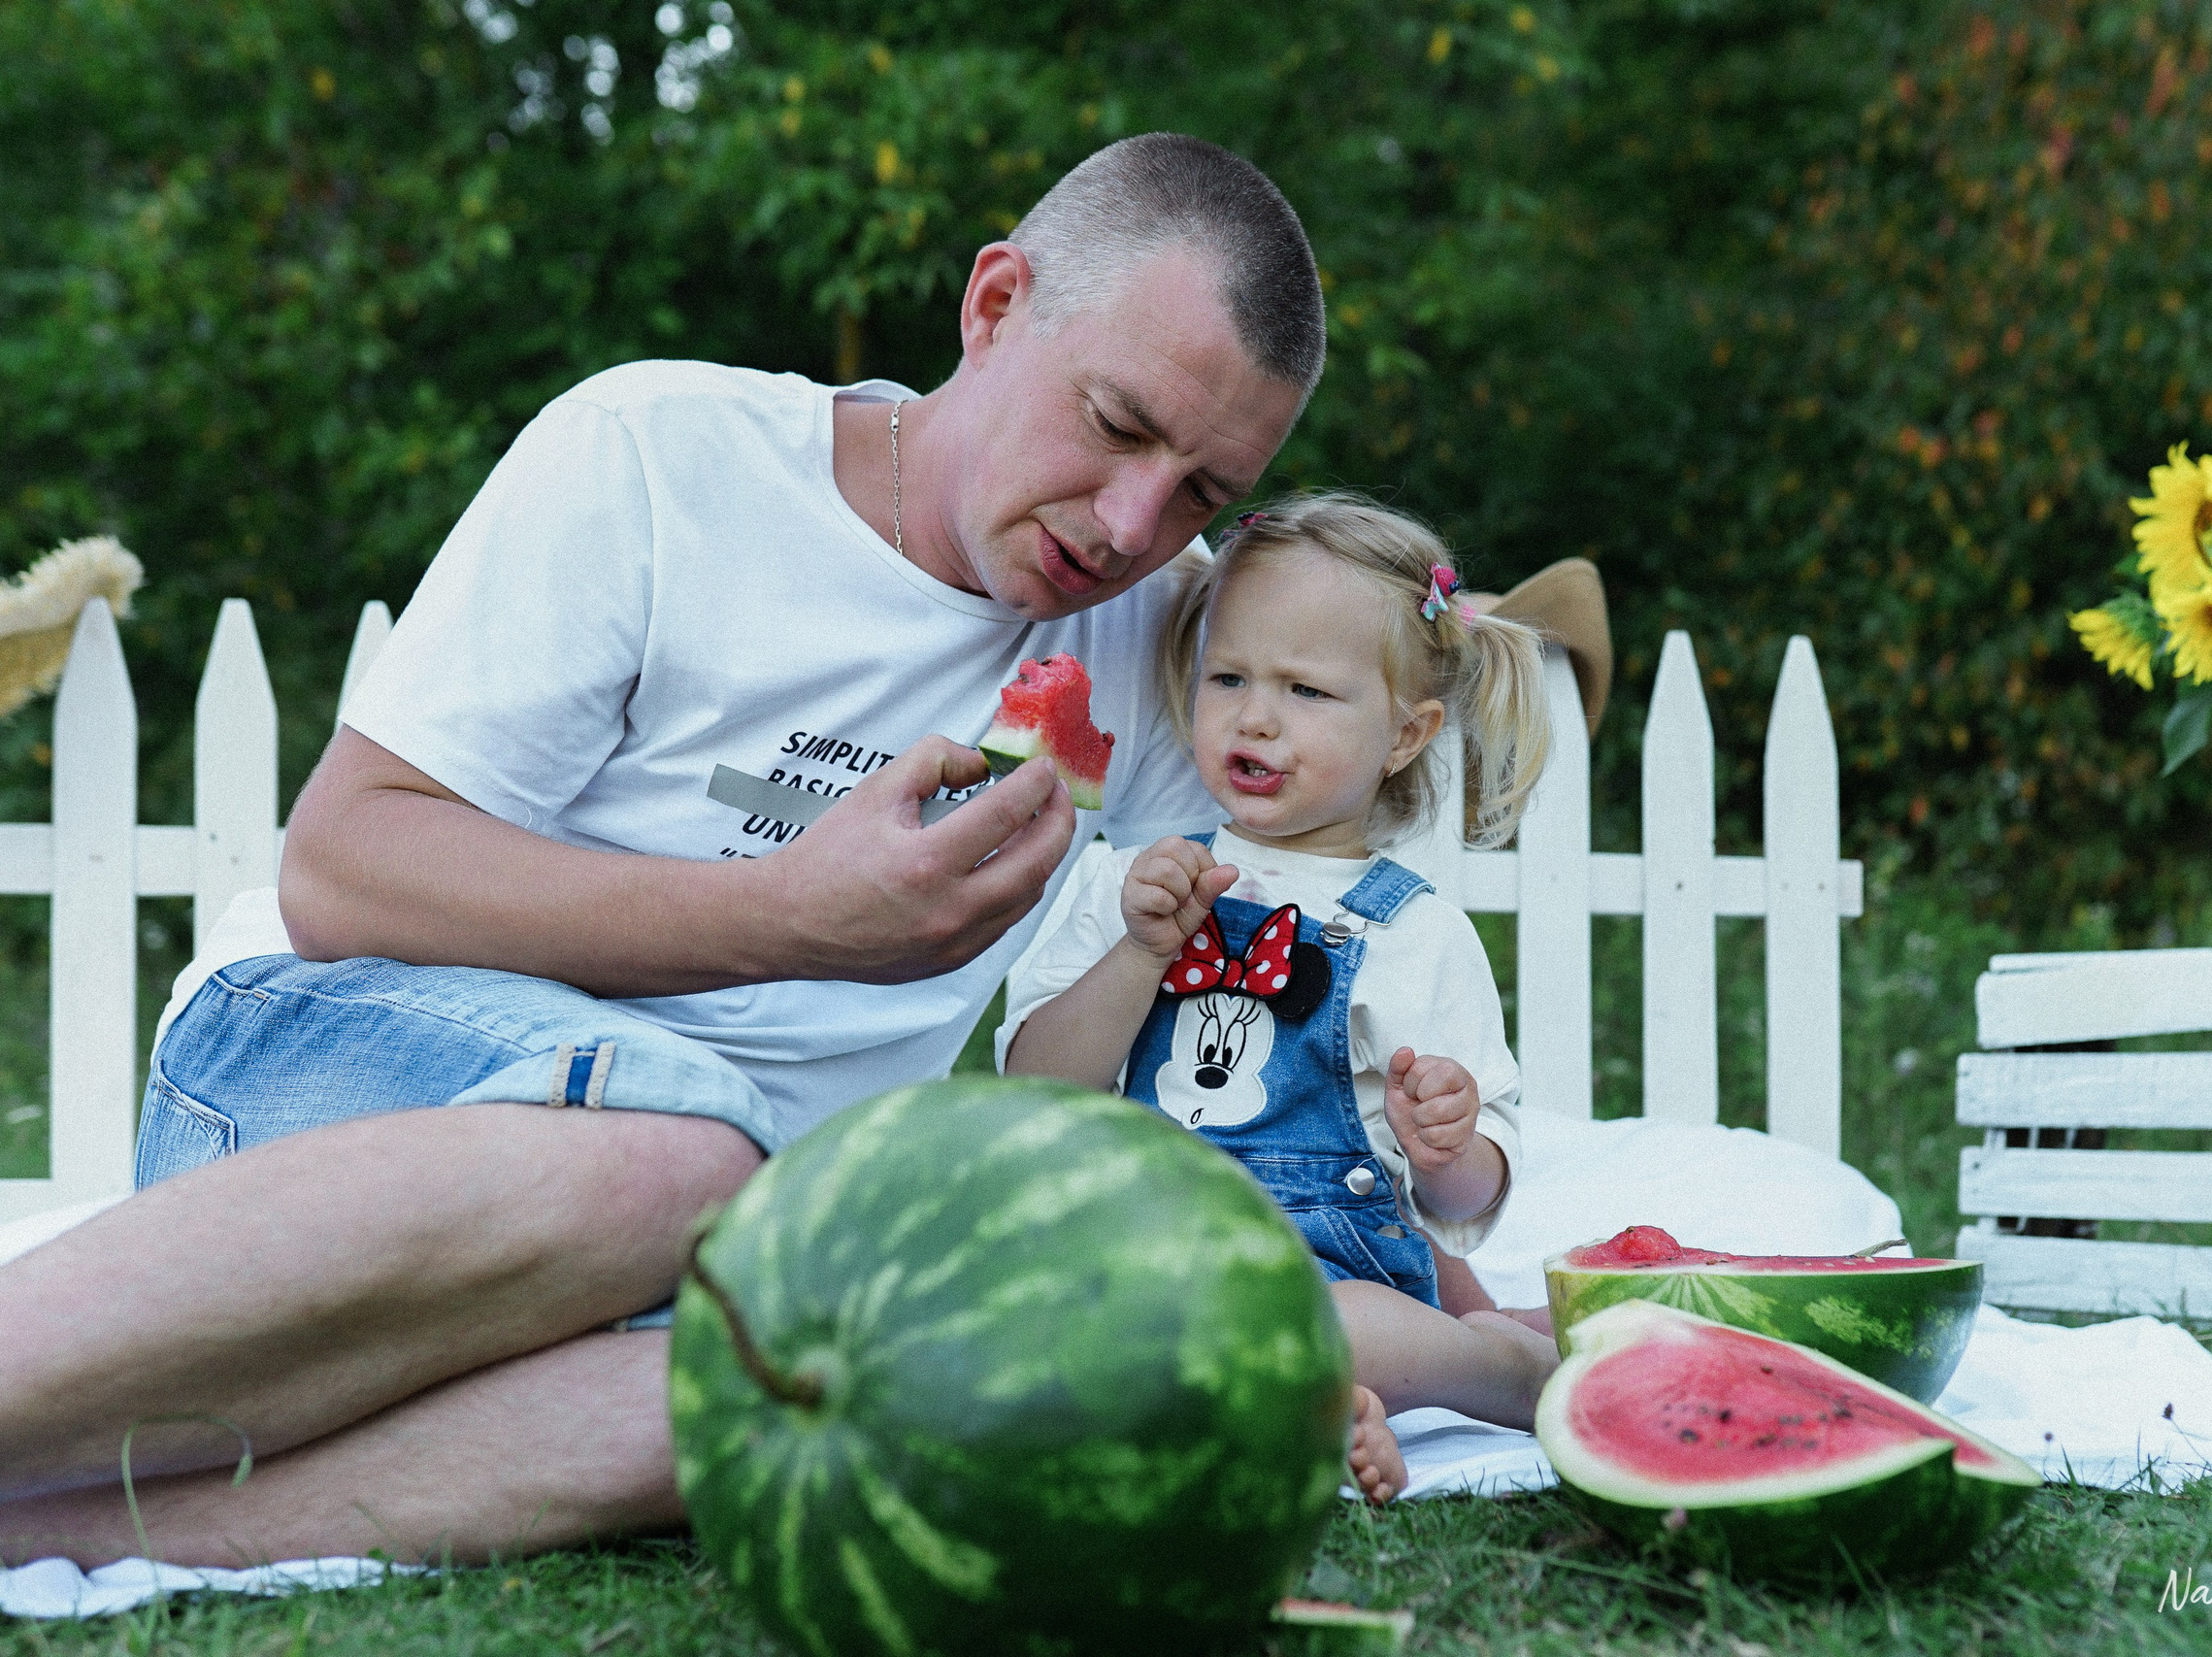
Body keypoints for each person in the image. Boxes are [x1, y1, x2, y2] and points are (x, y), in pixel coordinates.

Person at [0, 133, 1322, 1568]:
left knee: (814, 1397)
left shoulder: (1173, 643)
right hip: (322, 1073)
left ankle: (64, 1539)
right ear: (995, 305)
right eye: (1117, 425)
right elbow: (342, 866)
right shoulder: (661, 451)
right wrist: (785, 916)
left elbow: (1236, 963)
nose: (1133, 524)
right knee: (675, 1161)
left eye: (1200, 491)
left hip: (727, 1239)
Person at [1000, 493, 1561, 1503]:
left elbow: (1467, 1201)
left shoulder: (1417, 933)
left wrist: (1449, 1147)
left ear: (1406, 734)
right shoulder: (1126, 882)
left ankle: (1500, 1370)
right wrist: (1140, 953)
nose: (1255, 716)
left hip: (1322, 1271)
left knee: (1328, 1324)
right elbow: (1039, 1092)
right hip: (1133, 1255)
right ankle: (1315, 1416)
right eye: (1228, 678)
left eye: (1305, 689)